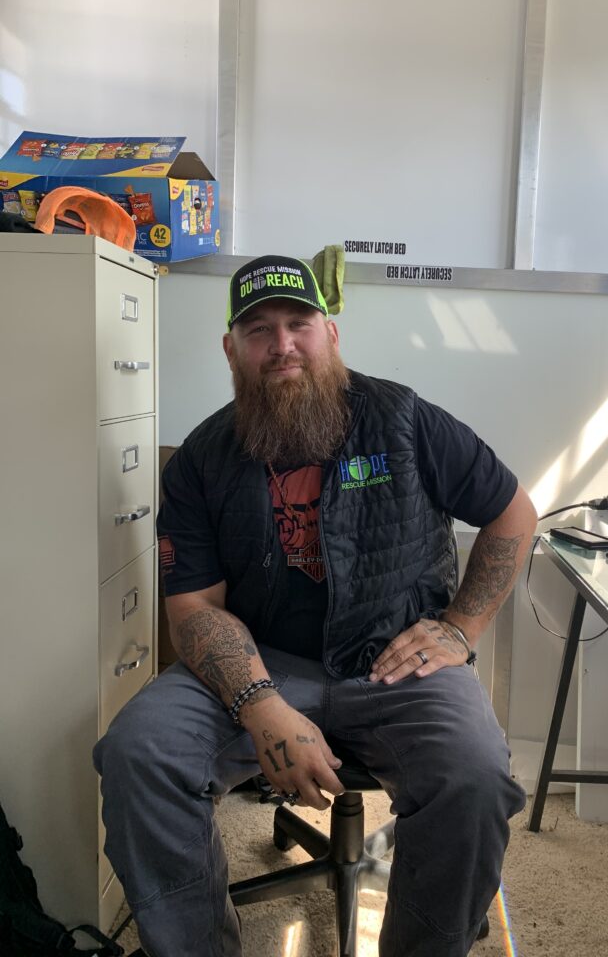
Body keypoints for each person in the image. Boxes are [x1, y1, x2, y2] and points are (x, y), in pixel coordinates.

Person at [94, 254, 537, 957]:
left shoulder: (405, 419)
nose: (283, 344)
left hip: (395, 661)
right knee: (138, 751)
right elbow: (194, 609)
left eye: (299, 324)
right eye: (259, 329)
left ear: (330, 333)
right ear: (231, 348)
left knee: (474, 775)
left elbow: (513, 515)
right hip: (260, 659)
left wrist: (459, 627)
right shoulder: (202, 461)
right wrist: (262, 704)